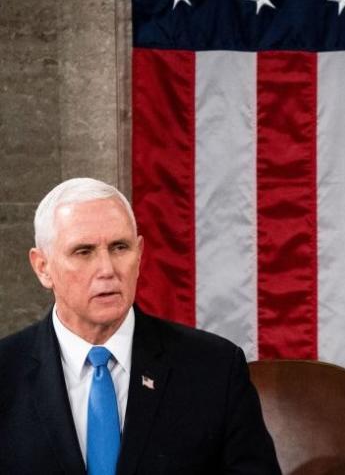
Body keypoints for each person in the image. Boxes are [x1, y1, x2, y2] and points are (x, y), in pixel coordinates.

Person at [0, 178, 280, 474]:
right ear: (43, 267)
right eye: (84, 252)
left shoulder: (215, 369)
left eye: (120, 247)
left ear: (140, 253)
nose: (107, 270)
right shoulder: (6, 373)